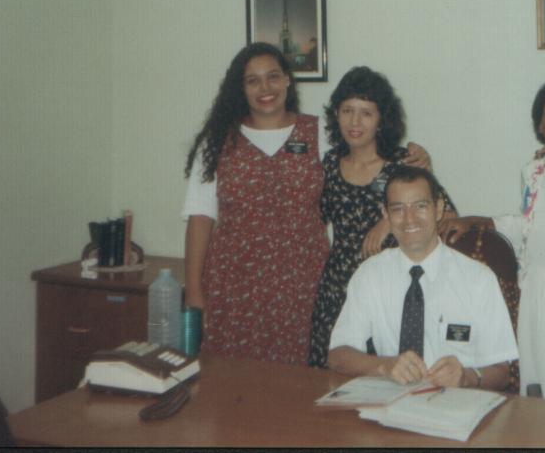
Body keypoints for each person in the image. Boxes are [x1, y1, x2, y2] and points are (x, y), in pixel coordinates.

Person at [439, 75, 545, 402]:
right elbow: (529, 223)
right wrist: (479, 221)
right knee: (535, 379)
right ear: (540, 123)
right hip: (533, 290)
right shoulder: (532, 171)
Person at [181, 42, 329, 365]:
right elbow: (200, 218)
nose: (265, 88)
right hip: (234, 284)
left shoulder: (320, 132)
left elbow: (364, 167)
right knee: (233, 380)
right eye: (253, 80)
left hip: (303, 284)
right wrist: (193, 291)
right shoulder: (218, 140)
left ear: (287, 80)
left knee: (300, 380)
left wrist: (415, 158)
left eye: (273, 76)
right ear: (242, 88)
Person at [307, 67, 456, 368]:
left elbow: (447, 215)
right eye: (347, 111)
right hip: (337, 288)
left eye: (366, 113)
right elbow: (312, 218)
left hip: (392, 287)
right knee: (332, 375)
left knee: (394, 373)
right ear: (336, 115)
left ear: (381, 119)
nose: (355, 122)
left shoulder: (404, 163)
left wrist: (387, 222)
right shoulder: (329, 163)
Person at [327, 166, 518, 391]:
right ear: (385, 214)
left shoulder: (478, 279)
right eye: (398, 209)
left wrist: (466, 377)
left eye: (420, 206)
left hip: (456, 402)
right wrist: (384, 366)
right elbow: (338, 355)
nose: (409, 219)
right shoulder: (370, 274)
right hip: (392, 400)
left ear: (439, 209)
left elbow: (502, 372)